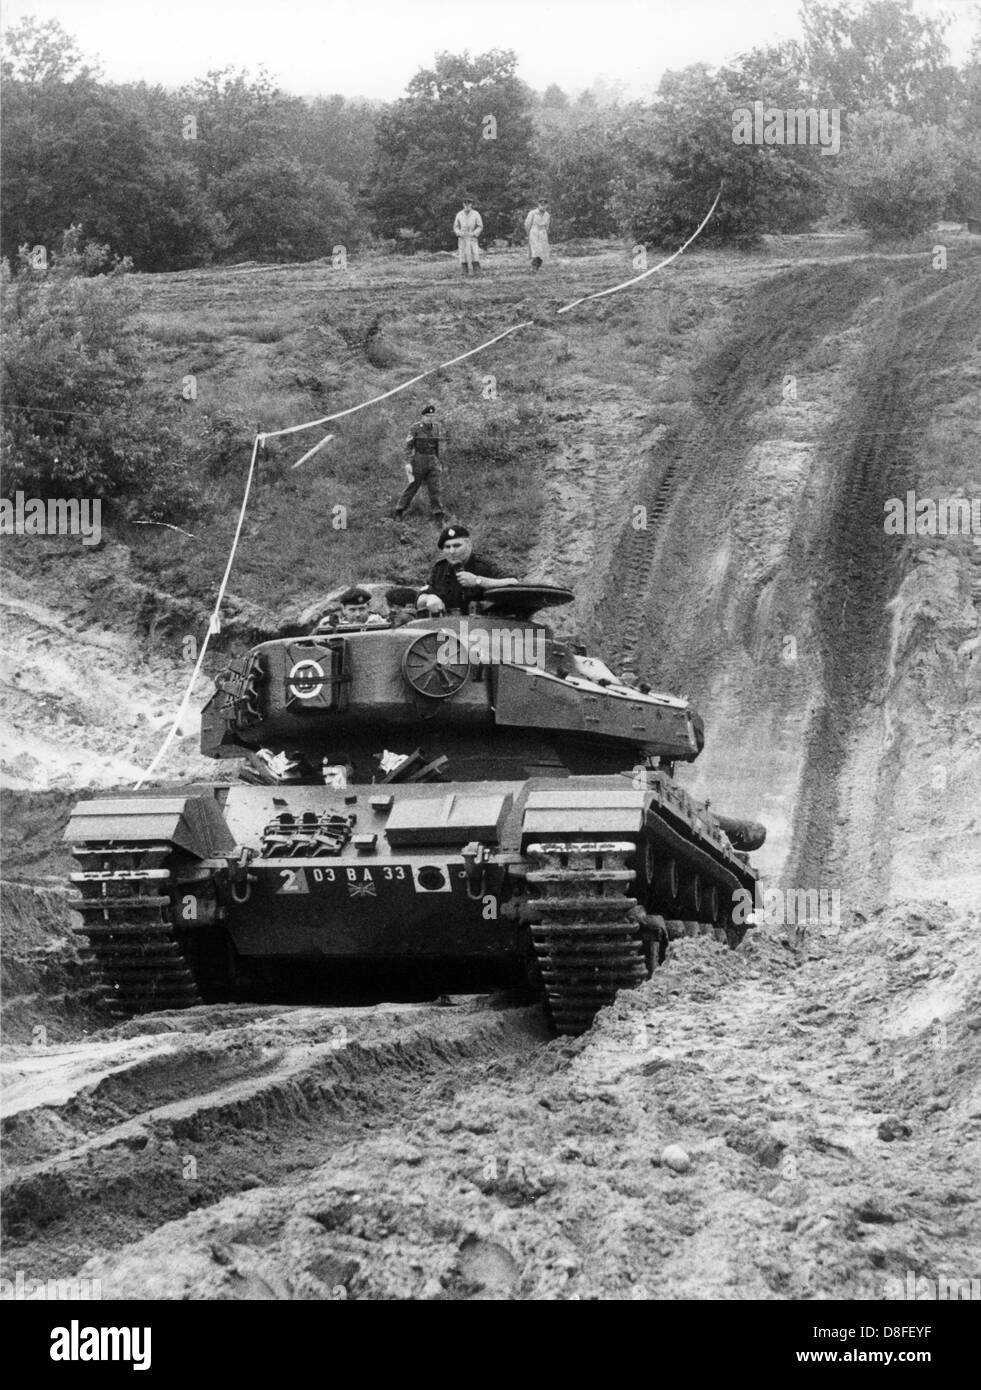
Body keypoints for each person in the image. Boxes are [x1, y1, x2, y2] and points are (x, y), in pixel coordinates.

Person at [417, 525, 518, 615]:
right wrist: (429, 598)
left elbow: (513, 583)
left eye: (457, 546)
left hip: (481, 629)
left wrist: (478, 581)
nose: (452, 551)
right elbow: (419, 598)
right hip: (448, 626)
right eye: (447, 547)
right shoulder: (439, 569)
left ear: (469, 545)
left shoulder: (483, 566)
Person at [394, 404, 445, 522]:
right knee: (413, 486)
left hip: (433, 460)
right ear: (423, 417)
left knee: (435, 489)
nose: (430, 418)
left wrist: (438, 462)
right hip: (419, 460)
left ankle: (438, 515)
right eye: (427, 416)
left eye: (432, 416)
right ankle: (399, 510)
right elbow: (408, 446)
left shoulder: (436, 428)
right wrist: (407, 462)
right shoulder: (415, 428)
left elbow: (436, 447)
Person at [453, 197, 483, 276]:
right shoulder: (459, 214)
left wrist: (474, 233)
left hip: (471, 236)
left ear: (471, 204)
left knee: (474, 253)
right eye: (465, 203)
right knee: (463, 254)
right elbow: (455, 226)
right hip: (463, 237)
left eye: (468, 203)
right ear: (463, 204)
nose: (467, 205)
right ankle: (464, 271)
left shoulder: (476, 214)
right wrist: (459, 233)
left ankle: (477, 271)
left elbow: (480, 226)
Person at [524, 199, 551, 270]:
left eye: (545, 205)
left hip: (543, 232)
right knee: (536, 250)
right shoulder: (533, 213)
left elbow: (547, 225)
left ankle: (537, 265)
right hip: (534, 232)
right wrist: (529, 233)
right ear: (538, 205)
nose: (543, 207)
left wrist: (544, 232)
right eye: (541, 205)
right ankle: (534, 266)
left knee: (543, 251)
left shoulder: (547, 214)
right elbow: (527, 224)